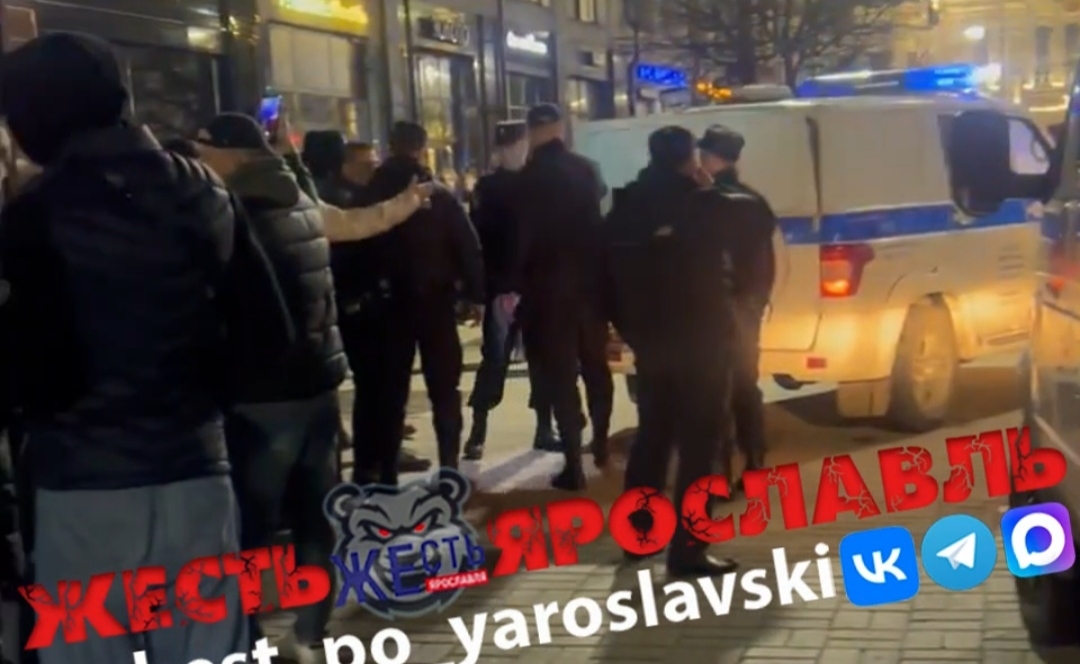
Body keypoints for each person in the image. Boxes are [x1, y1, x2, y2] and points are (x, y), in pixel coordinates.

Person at [0, 32, 294, 664]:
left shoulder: (34, 214)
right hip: (198, 474)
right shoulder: (206, 193)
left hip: (83, 486)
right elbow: (271, 339)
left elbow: (27, 367)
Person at [605, 125, 743, 577]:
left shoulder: (627, 203)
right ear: (690, 158)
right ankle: (688, 551)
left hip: (652, 343)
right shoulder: (703, 202)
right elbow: (734, 248)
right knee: (700, 447)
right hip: (702, 341)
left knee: (652, 438)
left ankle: (637, 537)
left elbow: (606, 273)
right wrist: (708, 188)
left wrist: (631, 329)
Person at [354, 121, 483, 484]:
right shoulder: (437, 194)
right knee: (445, 390)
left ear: (390, 146)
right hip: (435, 303)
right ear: (421, 148)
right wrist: (475, 294)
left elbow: (356, 245)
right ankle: (449, 469)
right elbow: (467, 245)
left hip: (388, 306)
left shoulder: (371, 193)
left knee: (391, 393)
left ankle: (388, 474)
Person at [302, 130, 431, 472]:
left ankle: (368, 465)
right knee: (381, 391)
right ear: (343, 164)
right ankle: (380, 466)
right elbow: (364, 226)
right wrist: (410, 200)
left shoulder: (313, 194)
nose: (374, 169)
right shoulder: (342, 200)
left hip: (342, 308)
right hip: (363, 307)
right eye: (367, 164)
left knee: (368, 391)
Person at [510, 103, 611, 490]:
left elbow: (521, 239)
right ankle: (600, 444)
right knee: (596, 367)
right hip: (590, 288)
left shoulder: (526, 179)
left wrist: (514, 282)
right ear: (561, 129)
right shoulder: (587, 170)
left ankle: (573, 464)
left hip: (548, 291)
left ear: (532, 132)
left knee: (561, 375)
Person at [464, 120, 557, 460]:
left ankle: (542, 427)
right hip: (506, 286)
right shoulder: (493, 187)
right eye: (507, 146)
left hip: (527, 285)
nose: (511, 151)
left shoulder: (531, 182)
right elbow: (476, 241)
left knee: (537, 358)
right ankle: (479, 431)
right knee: (498, 359)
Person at [698, 125, 776, 481]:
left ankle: (721, 470)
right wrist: (758, 300)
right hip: (748, 307)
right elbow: (766, 260)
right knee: (746, 384)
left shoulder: (708, 202)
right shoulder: (756, 202)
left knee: (716, 390)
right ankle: (755, 460)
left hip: (716, 308)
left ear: (712, 158)